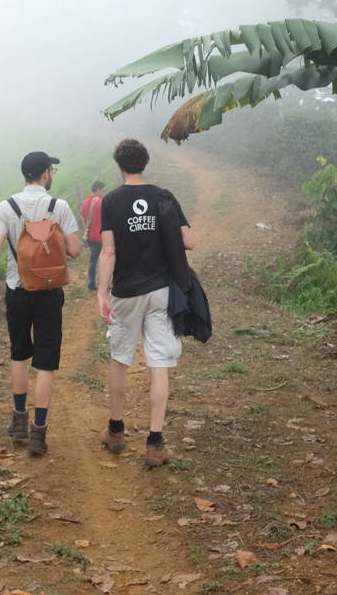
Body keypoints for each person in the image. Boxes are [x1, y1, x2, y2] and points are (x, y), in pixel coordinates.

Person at [96, 139, 195, 467]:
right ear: (145, 162)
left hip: (125, 292)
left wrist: (101, 293)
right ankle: (155, 442)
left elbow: (107, 252)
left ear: (119, 166)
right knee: (159, 363)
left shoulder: (109, 201)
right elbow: (189, 241)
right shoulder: (163, 196)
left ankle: (116, 431)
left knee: (120, 358)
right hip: (161, 291)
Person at [0, 151, 81, 456]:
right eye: (52, 170)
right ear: (46, 173)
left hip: (17, 289)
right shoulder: (58, 206)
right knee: (46, 361)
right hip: (49, 292)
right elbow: (74, 250)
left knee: (19, 353)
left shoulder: (6, 207)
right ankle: (39, 432)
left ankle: (19, 418)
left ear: (25, 174)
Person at [80, 181, 106, 290]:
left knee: (93, 260)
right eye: (103, 190)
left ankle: (91, 282)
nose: (104, 192)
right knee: (105, 260)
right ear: (98, 189)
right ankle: (104, 283)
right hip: (102, 236)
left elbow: (82, 216)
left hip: (91, 236)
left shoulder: (85, 202)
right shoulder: (101, 203)